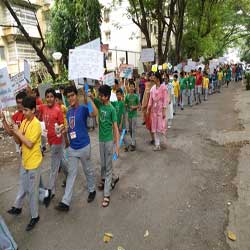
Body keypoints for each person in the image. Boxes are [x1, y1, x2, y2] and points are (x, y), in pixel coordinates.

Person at [1, 96, 43, 231]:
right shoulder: (24, 122)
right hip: (25, 161)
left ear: (33, 109)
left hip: (34, 163)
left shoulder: (36, 124)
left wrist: (18, 132)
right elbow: (19, 142)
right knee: (25, 187)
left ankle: (35, 216)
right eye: (22, 110)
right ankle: (18, 208)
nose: (23, 113)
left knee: (32, 191)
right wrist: (14, 131)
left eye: (26, 110)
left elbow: (30, 143)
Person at [55, 86, 97, 211]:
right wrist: (64, 130)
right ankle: (65, 202)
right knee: (71, 174)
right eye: (68, 97)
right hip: (72, 148)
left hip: (84, 146)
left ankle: (92, 190)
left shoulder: (83, 108)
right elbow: (71, 127)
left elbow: (94, 113)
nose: (70, 98)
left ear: (76, 96)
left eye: (72, 95)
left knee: (88, 170)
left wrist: (88, 97)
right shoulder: (68, 112)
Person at [39, 88, 69, 207]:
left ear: (54, 98)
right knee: (61, 161)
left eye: (51, 97)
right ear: (45, 98)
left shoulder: (58, 110)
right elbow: (34, 107)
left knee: (53, 166)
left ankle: (50, 191)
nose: (49, 99)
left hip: (58, 140)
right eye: (47, 97)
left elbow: (63, 126)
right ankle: (70, 174)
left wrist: (65, 139)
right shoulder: (43, 107)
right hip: (50, 141)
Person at [93, 85, 119, 207]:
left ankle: (107, 194)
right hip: (101, 140)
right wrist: (86, 91)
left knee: (108, 167)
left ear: (107, 96)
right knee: (103, 164)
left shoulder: (112, 109)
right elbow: (92, 99)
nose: (99, 97)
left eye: (101, 95)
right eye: (99, 95)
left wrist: (117, 146)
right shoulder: (100, 103)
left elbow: (116, 128)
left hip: (109, 141)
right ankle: (109, 179)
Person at [147, 72, 168, 151]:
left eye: (154, 78)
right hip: (154, 111)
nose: (153, 79)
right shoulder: (152, 89)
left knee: (160, 127)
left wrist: (164, 111)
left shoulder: (163, 88)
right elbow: (150, 100)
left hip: (160, 110)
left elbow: (165, 100)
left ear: (158, 79)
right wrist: (148, 109)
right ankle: (157, 144)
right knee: (154, 128)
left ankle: (163, 141)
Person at [125, 81, 139, 151]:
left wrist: (134, 107)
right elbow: (125, 104)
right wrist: (126, 106)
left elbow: (139, 106)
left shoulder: (136, 96)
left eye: (132, 87)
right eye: (130, 87)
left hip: (134, 115)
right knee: (130, 129)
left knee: (133, 129)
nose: (131, 88)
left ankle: (133, 143)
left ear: (134, 88)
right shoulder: (127, 96)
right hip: (129, 115)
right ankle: (133, 141)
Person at [141, 72, 155, 144]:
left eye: (153, 75)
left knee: (154, 124)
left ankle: (155, 139)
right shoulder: (147, 84)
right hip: (148, 108)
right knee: (149, 124)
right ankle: (153, 139)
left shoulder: (157, 85)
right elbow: (145, 97)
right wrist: (144, 106)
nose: (152, 77)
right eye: (151, 75)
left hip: (155, 108)